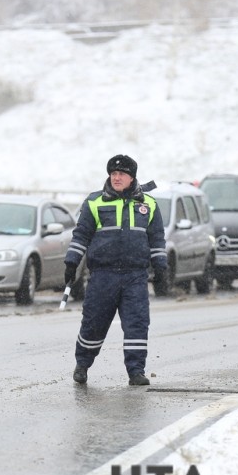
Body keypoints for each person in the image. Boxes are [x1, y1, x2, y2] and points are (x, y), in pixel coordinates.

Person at [64, 154, 167, 386]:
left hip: (135, 276)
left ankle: (136, 371)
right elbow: (81, 235)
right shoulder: (94, 202)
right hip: (103, 275)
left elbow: (157, 239)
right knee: (93, 323)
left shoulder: (148, 205)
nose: (116, 177)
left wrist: (161, 268)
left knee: (137, 323)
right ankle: (82, 365)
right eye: (113, 174)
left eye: (122, 174)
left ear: (132, 177)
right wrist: (72, 262)